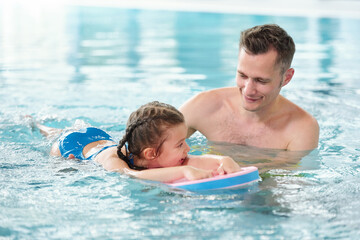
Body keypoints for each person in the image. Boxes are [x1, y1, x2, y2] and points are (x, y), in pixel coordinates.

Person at [180, 24, 319, 152]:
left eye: (261, 81)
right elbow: (159, 151)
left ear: (287, 78)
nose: (248, 90)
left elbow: (293, 179)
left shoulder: (301, 129)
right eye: (243, 76)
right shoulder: (203, 105)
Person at [35, 101, 241, 183]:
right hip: (70, 146)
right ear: (151, 154)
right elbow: (128, 174)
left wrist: (224, 160)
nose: (187, 148)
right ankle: (35, 123)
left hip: (100, 137)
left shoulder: (157, 154)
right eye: (180, 144)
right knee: (53, 135)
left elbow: (198, 160)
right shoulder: (113, 161)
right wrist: (184, 172)